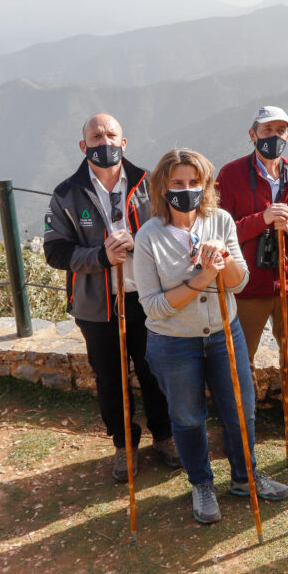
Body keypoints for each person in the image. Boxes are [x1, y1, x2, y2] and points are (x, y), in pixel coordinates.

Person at [133, 148, 288, 525]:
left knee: (240, 409)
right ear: (162, 187)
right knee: (187, 417)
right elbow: (153, 306)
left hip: (223, 333)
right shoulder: (148, 237)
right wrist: (202, 278)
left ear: (205, 186)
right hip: (173, 341)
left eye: (193, 182)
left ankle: (245, 476)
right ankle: (202, 484)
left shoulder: (220, 221)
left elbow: (239, 283)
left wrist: (223, 259)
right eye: (177, 183)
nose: (186, 190)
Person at [44, 113, 178, 482]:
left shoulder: (151, 183)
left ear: (124, 142)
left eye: (111, 135)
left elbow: (173, 232)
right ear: (83, 145)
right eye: (96, 136)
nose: (104, 141)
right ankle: (124, 444)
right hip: (96, 305)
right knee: (110, 379)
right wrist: (101, 257)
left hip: (147, 297)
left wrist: (139, 244)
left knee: (155, 373)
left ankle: (164, 437)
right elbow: (55, 252)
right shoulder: (66, 193)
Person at [216, 106, 288, 442]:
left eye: (280, 131)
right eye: (266, 131)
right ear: (253, 135)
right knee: (239, 354)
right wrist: (260, 220)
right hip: (247, 284)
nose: (273, 137)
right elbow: (220, 229)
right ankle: (239, 413)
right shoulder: (230, 175)